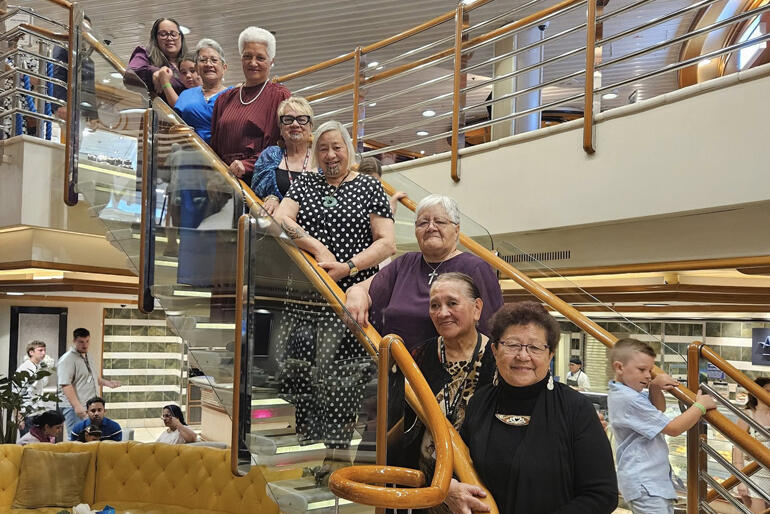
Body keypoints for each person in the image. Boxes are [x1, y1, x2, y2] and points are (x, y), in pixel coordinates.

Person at [273, 120, 395, 448]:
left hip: (350, 298)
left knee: (343, 379)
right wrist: (316, 247)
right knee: (301, 375)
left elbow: (387, 243)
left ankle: (336, 456)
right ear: (315, 152)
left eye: (336, 147)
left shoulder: (369, 187)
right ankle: (310, 452)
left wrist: (348, 266)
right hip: (305, 298)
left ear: (348, 151)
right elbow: (281, 218)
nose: (330, 154)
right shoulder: (305, 183)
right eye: (323, 148)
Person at [452, 302, 618, 513]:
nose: (523, 356)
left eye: (535, 347)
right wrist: (452, 488)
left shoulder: (577, 409)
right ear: (494, 350)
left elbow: (602, 494)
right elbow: (460, 466)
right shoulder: (479, 402)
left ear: (550, 355)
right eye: (512, 345)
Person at [392, 273, 495, 513]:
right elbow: (399, 426)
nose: (442, 312)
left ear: (477, 307)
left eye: (452, 303)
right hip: (424, 490)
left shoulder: (498, 358)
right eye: (435, 305)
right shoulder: (417, 357)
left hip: (479, 491)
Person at [345, 194, 503, 350]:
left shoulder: (476, 268)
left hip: (452, 371)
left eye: (440, 221)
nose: (431, 227)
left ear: (456, 230)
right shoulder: (404, 263)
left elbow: (493, 331)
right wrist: (356, 293)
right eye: (423, 223)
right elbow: (363, 288)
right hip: (394, 367)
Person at [608, 338, 717, 514]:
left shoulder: (628, 392)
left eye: (650, 370)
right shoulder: (628, 399)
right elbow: (673, 429)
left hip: (650, 480)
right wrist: (700, 406)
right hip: (645, 481)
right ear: (619, 367)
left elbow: (658, 408)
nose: (647, 375)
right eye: (642, 370)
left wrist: (654, 387)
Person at [209, 26, 290, 184]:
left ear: (271, 61)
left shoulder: (279, 96)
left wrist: (247, 165)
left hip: (260, 181)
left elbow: (282, 144)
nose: (253, 63)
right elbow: (215, 145)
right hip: (224, 181)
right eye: (247, 56)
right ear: (241, 59)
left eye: (260, 58)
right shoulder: (224, 99)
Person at [251, 96, 314, 215]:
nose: (295, 124)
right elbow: (257, 194)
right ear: (281, 128)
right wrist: (271, 198)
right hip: (277, 228)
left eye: (301, 119)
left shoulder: (322, 158)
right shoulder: (269, 156)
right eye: (288, 119)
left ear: (310, 126)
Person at [57, 328, 120, 437]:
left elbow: (93, 377)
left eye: (87, 341)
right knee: (76, 437)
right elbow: (65, 384)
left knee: (90, 436)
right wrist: (77, 406)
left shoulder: (88, 356)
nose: (85, 345)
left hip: (88, 406)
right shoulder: (67, 359)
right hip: (73, 407)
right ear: (74, 341)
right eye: (81, 342)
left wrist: (108, 383)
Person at [172, 39, 230, 143]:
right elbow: (175, 128)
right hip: (189, 152)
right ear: (197, 68)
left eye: (214, 60)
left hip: (223, 154)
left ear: (224, 68)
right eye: (203, 60)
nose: (208, 64)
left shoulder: (233, 95)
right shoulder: (185, 95)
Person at [732, 377, 770, 513]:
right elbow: (737, 450)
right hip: (755, 475)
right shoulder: (747, 415)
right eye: (766, 391)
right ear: (755, 393)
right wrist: (741, 480)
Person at [128, 18, 189, 99]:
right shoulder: (144, 54)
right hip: (161, 110)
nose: (169, 38)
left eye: (173, 34)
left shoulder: (190, 61)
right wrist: (156, 72)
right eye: (163, 34)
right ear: (155, 38)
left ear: (180, 37)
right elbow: (131, 74)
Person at [16, 340, 50, 435]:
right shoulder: (25, 368)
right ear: (31, 352)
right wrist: (19, 418)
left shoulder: (38, 367)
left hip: (37, 412)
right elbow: (16, 394)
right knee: (29, 444)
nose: (43, 353)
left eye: (44, 350)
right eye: (40, 350)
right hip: (27, 414)